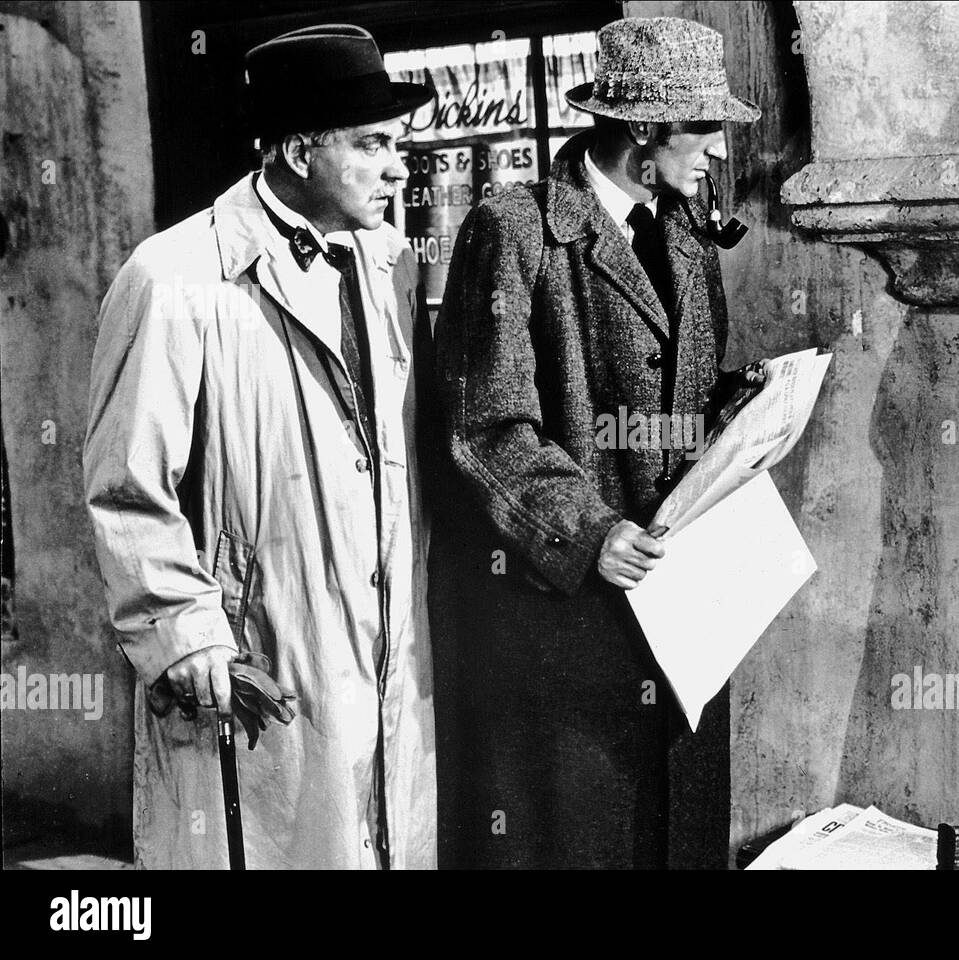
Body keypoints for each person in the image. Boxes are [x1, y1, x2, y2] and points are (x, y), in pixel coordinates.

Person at [84, 24, 437, 869]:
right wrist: (184, 632)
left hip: (387, 651)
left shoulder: (392, 264)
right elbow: (126, 484)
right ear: (296, 149)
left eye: (399, 144)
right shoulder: (174, 278)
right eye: (374, 144)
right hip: (261, 657)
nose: (399, 167)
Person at [430, 15, 765, 869]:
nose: (715, 152)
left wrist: (747, 408)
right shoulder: (514, 230)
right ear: (644, 129)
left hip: (682, 605)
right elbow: (485, 423)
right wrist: (587, 531)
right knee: (579, 838)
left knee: (677, 834)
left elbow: (677, 393)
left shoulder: (686, 235)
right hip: (567, 609)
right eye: (702, 128)